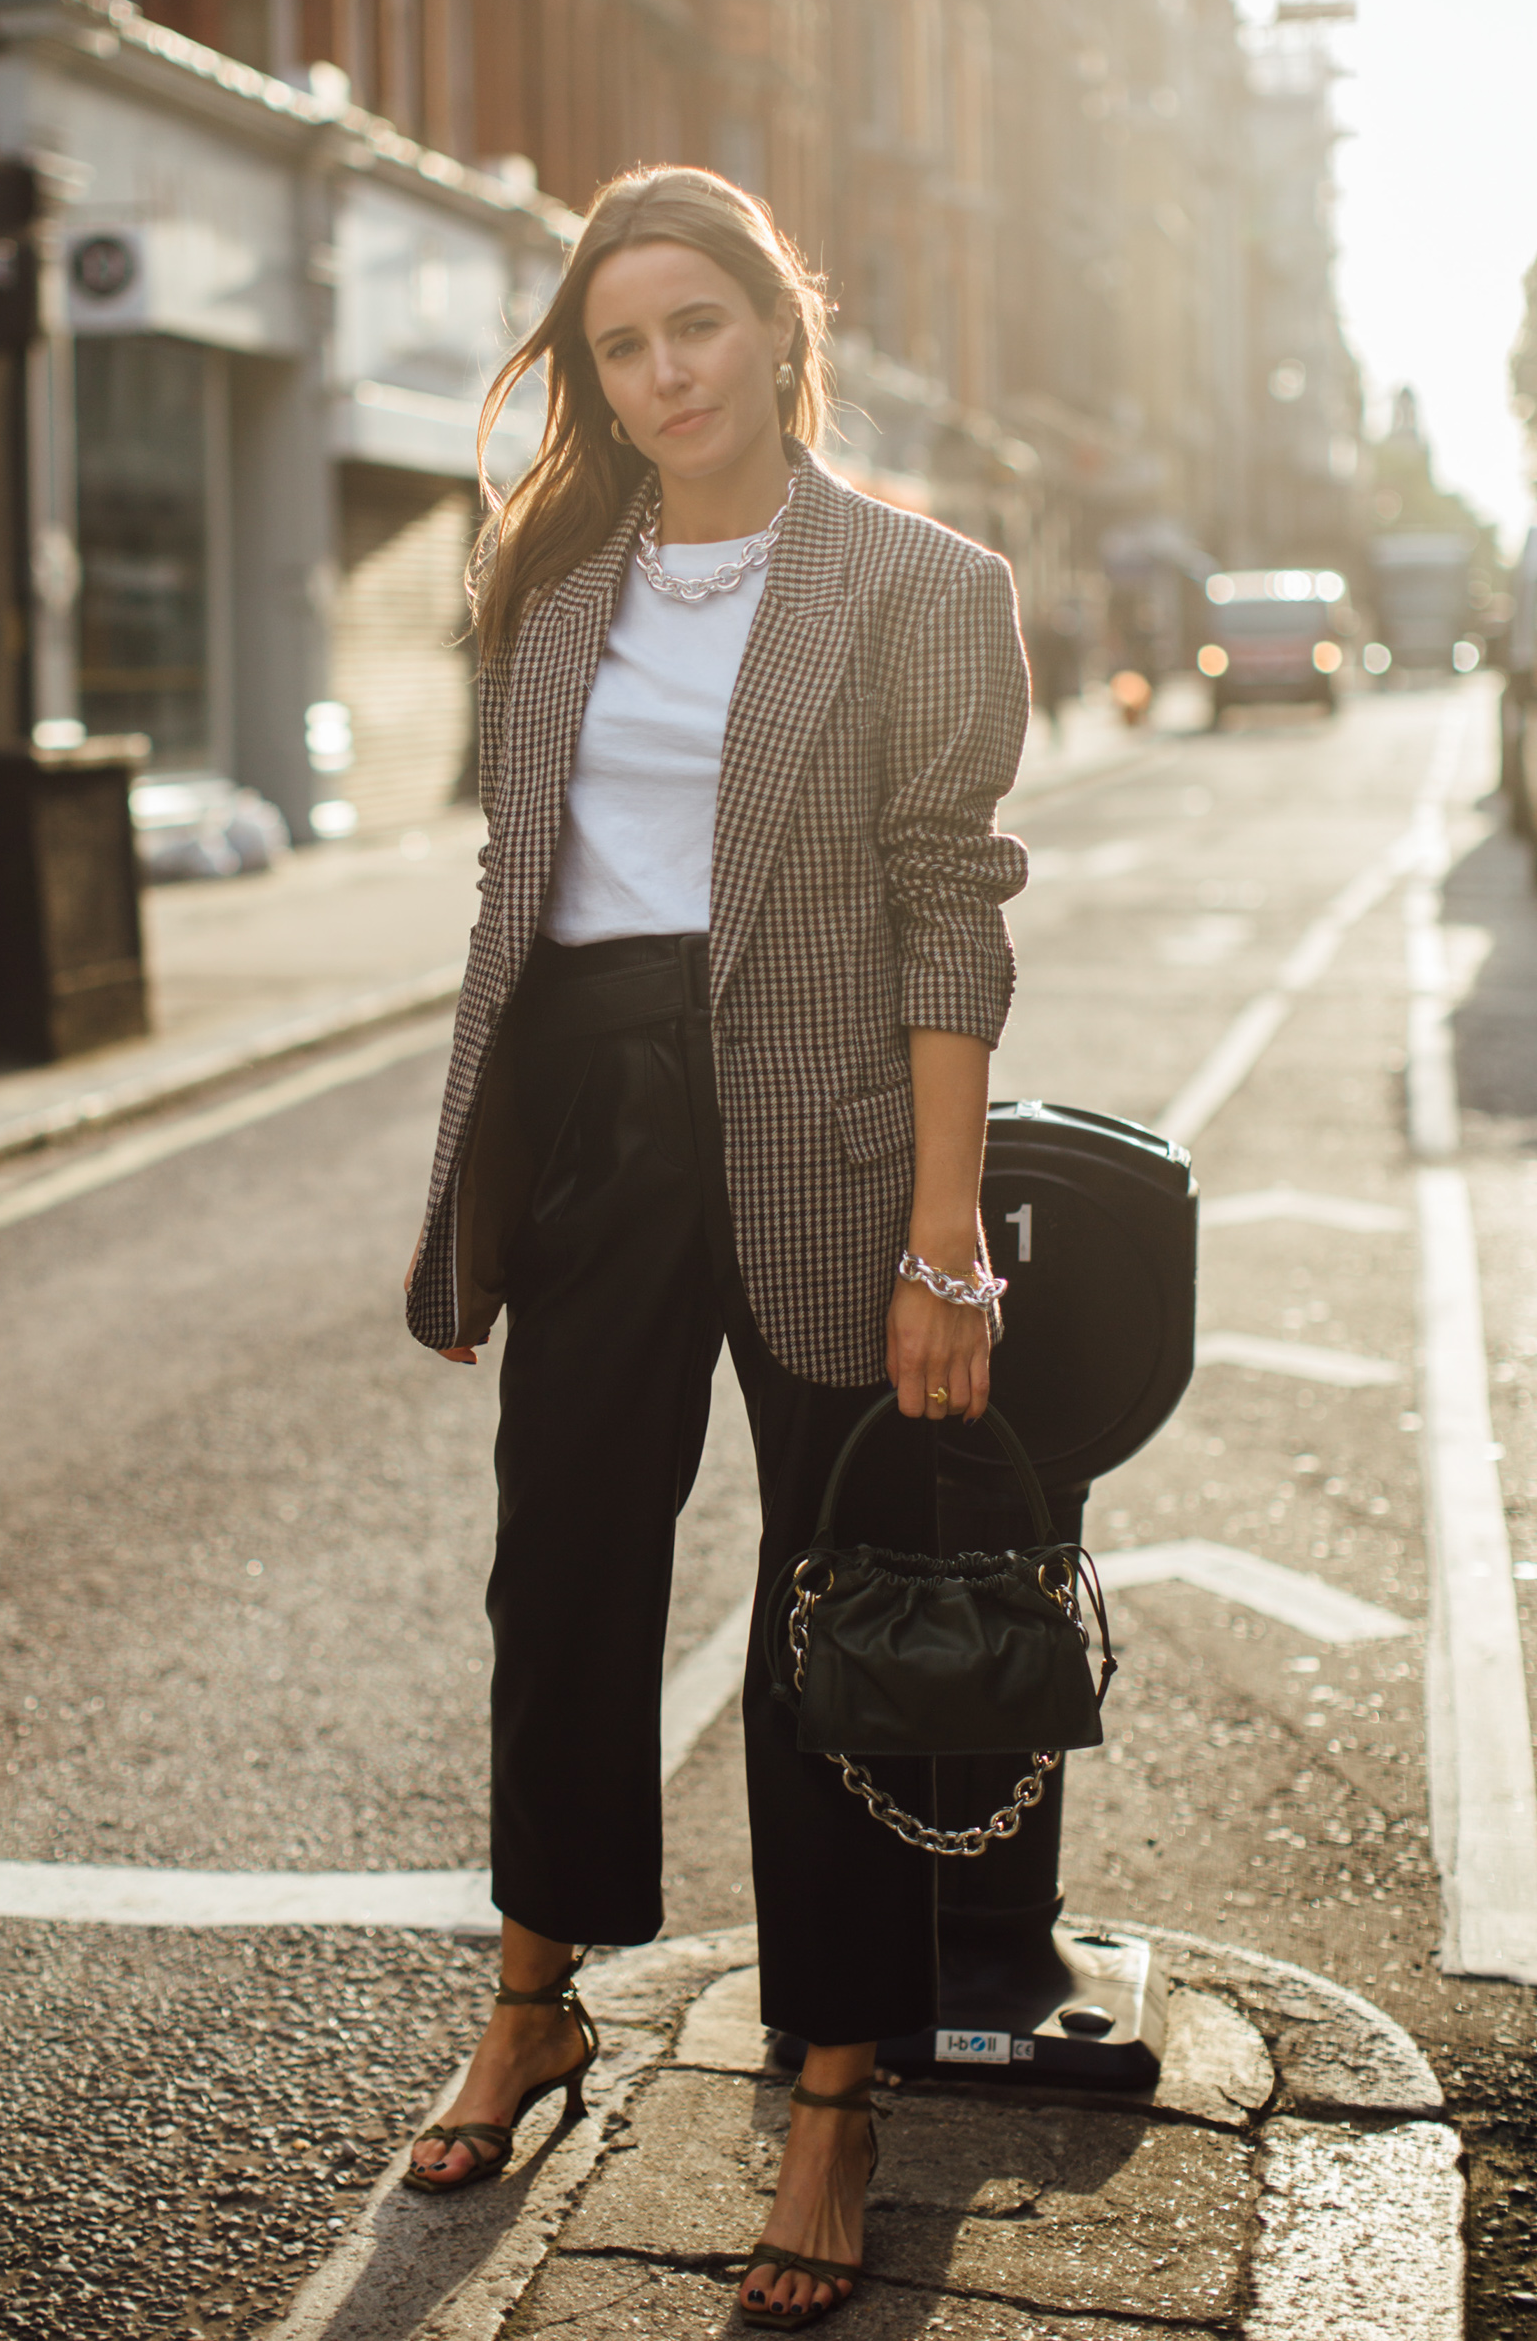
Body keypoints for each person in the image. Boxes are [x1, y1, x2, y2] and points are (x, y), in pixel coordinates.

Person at [401, 165, 1029, 2325]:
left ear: (782, 326)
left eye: (697, 326)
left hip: (828, 1132)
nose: (662, 374)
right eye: (619, 344)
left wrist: (946, 1234)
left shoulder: (923, 585)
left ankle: (835, 2083)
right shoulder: (551, 584)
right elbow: (520, 891)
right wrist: (489, 1186)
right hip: (591, 1115)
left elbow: (951, 900)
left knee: (825, 1616)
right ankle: (538, 1989)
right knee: (560, 1561)